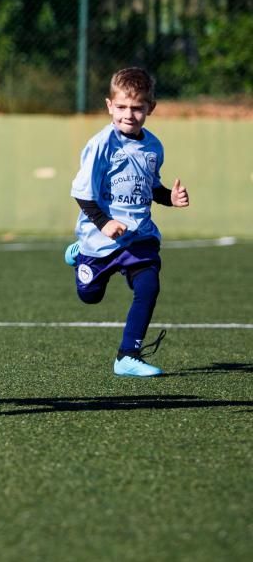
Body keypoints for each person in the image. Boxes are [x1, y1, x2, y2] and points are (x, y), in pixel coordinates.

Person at [65, 67, 189, 377]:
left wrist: (168, 198)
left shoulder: (153, 146)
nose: (129, 115)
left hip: (138, 237)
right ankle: (80, 254)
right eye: (121, 107)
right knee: (89, 295)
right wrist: (104, 223)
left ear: (151, 108)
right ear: (109, 106)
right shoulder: (101, 145)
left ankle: (127, 355)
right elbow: (81, 193)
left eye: (137, 108)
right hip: (100, 238)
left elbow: (150, 188)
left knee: (149, 285)